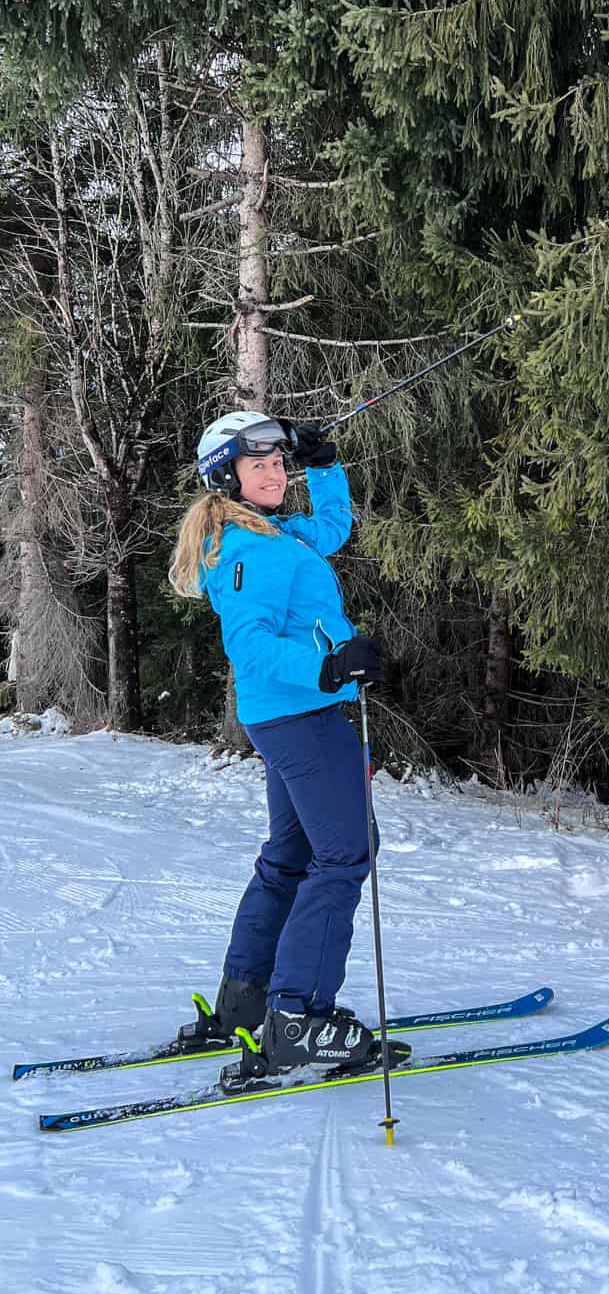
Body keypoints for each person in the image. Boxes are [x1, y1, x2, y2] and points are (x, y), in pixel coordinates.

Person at [167, 411, 385, 1090]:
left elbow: (332, 529)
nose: (273, 472)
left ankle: (249, 999)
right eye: (257, 464)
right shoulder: (246, 549)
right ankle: (299, 1020)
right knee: (346, 853)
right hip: (302, 715)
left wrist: (324, 463)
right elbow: (251, 646)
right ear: (225, 477)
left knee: (290, 856)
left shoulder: (278, 532)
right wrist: (328, 666)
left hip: (293, 716)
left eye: (277, 462)